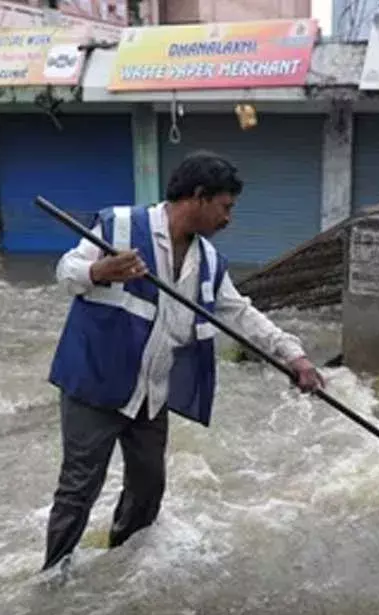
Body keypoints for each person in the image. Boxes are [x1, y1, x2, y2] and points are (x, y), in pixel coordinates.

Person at [41, 150, 326, 573]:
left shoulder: (208, 260)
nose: (229, 219)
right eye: (225, 207)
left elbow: (239, 312)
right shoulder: (119, 225)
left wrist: (294, 355)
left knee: (148, 489)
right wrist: (100, 272)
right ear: (198, 196)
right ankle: (52, 576)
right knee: (79, 487)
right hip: (94, 385)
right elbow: (66, 271)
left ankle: (121, 568)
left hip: (149, 394)